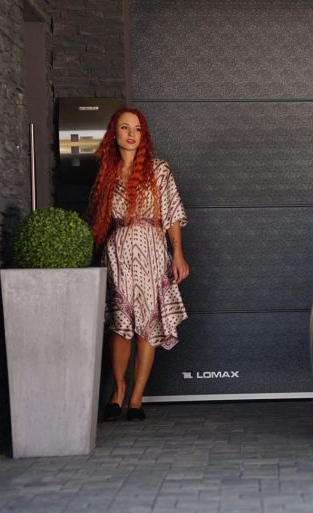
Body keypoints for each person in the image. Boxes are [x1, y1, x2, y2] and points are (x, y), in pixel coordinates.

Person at [88, 107, 189, 421]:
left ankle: (136, 398)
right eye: (124, 128)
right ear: (114, 134)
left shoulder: (158, 170)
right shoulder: (107, 172)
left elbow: (172, 215)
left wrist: (178, 253)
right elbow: (99, 220)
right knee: (120, 325)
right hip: (118, 252)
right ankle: (118, 390)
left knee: (147, 325)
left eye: (137, 129)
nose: (131, 134)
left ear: (143, 135)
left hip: (151, 251)